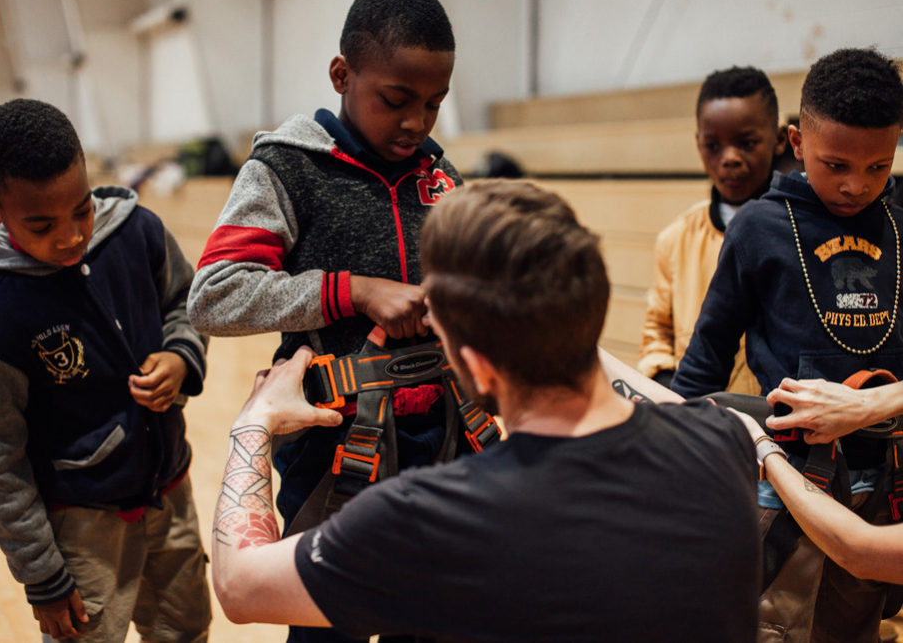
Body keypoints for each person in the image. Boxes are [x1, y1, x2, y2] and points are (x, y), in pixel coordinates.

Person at [209, 179, 761, 642]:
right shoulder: (724, 439)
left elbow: (239, 586)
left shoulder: (430, 520)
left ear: (478, 366)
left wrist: (255, 422)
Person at [187, 0, 463, 641]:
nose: (417, 123)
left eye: (434, 104)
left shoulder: (441, 176)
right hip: (334, 453)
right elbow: (215, 294)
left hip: (448, 442)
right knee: (326, 626)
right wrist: (352, 290)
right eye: (395, 101)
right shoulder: (290, 169)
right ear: (342, 74)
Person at [0, 99, 211, 642]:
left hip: (171, 491)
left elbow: (185, 303)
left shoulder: (139, 232)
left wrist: (180, 354)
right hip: (81, 526)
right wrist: (43, 578)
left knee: (186, 631)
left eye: (82, 209)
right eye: (43, 224)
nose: (72, 234)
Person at [672, 48, 903, 643]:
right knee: (774, 626)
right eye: (836, 164)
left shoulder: (901, 224)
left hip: (884, 481)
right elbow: (705, 359)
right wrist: (667, 456)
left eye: (879, 166)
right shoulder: (758, 227)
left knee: (853, 627)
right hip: (787, 482)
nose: (857, 184)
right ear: (796, 144)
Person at [639, 66, 786, 392]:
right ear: (698, 144)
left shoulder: (799, 232)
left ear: (778, 140)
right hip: (705, 425)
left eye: (747, 142)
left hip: (782, 430)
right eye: (713, 145)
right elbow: (656, 337)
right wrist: (672, 390)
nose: (730, 158)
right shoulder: (675, 239)